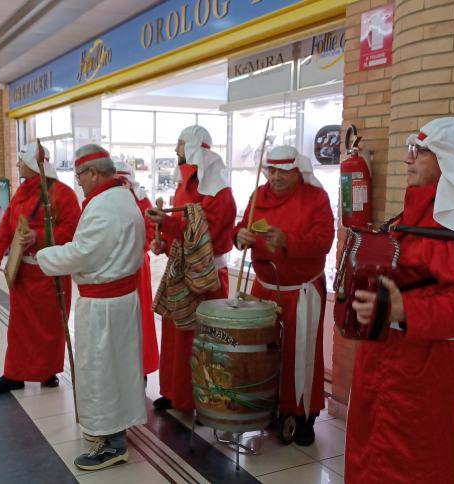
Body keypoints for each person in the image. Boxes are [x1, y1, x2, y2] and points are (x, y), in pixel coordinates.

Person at [345, 117, 454, 483]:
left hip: (427, 367)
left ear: (446, 159)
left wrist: (404, 309)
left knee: (416, 465)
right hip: (387, 356)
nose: (407, 159)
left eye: (418, 152)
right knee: (370, 451)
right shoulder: (416, 213)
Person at [36, 144, 146, 471]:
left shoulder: (104, 206)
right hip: (119, 302)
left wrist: (42, 257)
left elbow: (83, 254)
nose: (78, 181)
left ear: (94, 172)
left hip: (105, 309)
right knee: (118, 369)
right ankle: (115, 429)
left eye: (80, 175)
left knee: (101, 372)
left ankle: (112, 444)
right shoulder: (123, 197)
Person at [233, 145, 333, 445]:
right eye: (271, 170)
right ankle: (268, 408)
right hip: (263, 288)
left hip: (300, 290)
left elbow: (324, 241)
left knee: (300, 354)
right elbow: (240, 228)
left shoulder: (315, 198)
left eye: (282, 171)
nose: (275, 177)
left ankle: (305, 416)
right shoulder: (257, 195)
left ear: (297, 171)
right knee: (263, 353)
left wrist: (289, 241)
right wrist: (239, 237)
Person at [146, 125, 236, 413]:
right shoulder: (184, 187)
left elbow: (204, 233)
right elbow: (183, 230)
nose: (176, 150)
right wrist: (166, 242)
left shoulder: (219, 192)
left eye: (181, 144)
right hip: (181, 272)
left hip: (206, 279)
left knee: (200, 340)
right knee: (175, 335)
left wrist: (170, 225)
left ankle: (199, 397)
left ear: (196, 148)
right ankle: (174, 391)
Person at [0, 143, 80, 393]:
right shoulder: (21, 192)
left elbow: (72, 231)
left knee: (51, 327)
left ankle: (47, 371)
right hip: (23, 274)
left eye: (21, 161)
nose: (17, 165)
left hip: (52, 274)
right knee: (19, 328)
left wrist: (37, 236)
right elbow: (7, 225)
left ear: (34, 164)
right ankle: (14, 374)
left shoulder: (63, 194)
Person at [114, 160, 159, 377]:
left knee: (139, 315)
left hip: (137, 269)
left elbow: (151, 232)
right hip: (113, 268)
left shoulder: (142, 202)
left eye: (123, 181)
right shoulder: (105, 201)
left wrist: (135, 249)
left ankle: (139, 366)